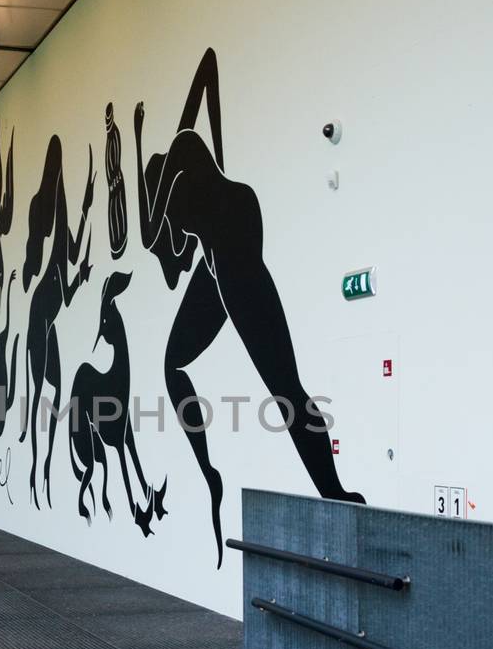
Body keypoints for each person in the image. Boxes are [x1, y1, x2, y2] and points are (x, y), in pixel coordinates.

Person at [134, 48, 363, 566]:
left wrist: (129, 136)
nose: (170, 220)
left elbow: (163, 244)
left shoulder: (181, 186)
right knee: (176, 363)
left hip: (234, 257)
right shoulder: (189, 171)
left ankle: (334, 492)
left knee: (285, 389)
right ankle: (210, 467)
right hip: (220, 259)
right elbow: (172, 258)